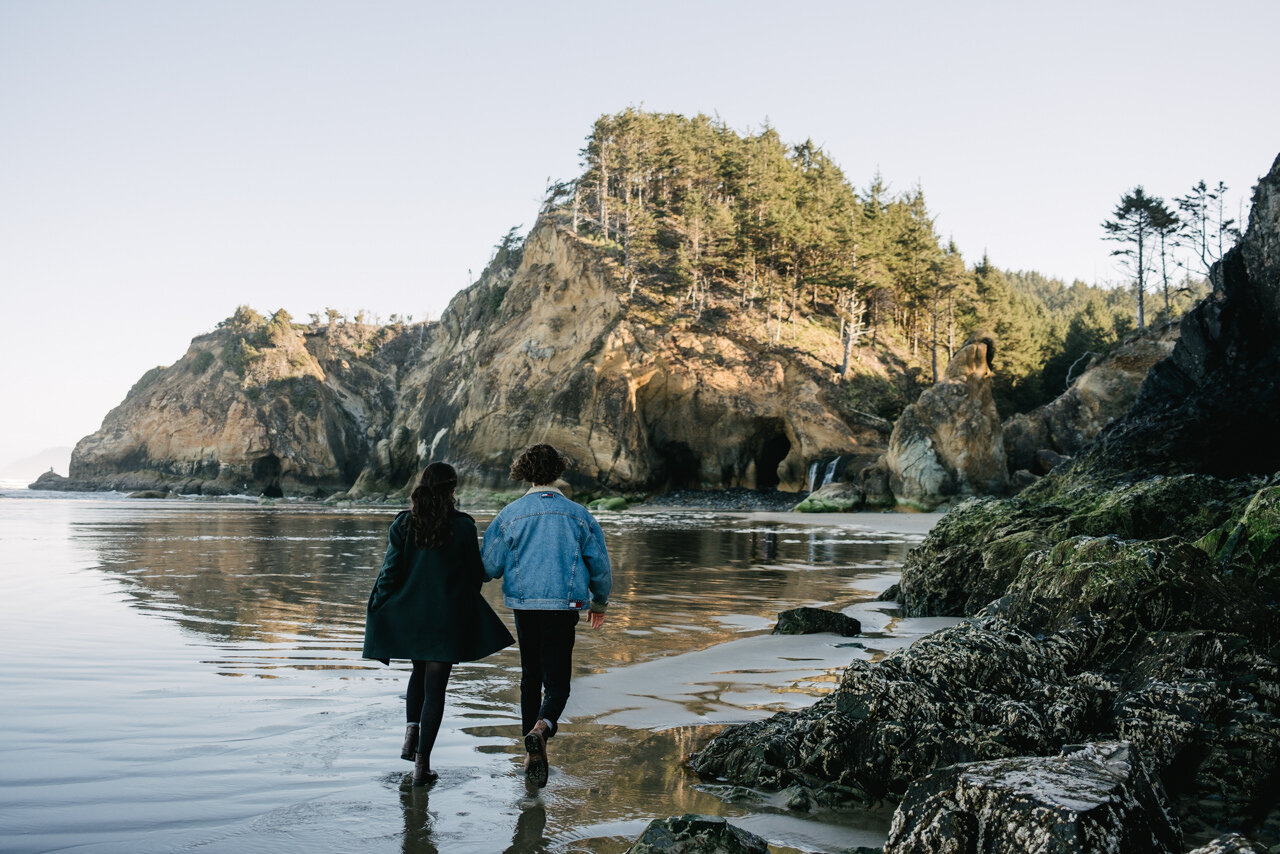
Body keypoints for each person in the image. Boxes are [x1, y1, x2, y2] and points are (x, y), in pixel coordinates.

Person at [363, 462, 514, 786]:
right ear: (452, 489)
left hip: (412, 616)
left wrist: (377, 606)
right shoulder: (462, 526)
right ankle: (422, 766)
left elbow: (390, 572)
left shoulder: (405, 523)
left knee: (417, 674)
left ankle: (409, 734)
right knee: (436, 690)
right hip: (446, 619)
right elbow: (475, 575)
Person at [481, 443, 612, 788]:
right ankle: (543, 729)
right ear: (558, 471)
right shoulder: (579, 514)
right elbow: (600, 564)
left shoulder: (510, 514)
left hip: (525, 605)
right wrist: (599, 603)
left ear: (524, 472)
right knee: (558, 685)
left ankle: (530, 754)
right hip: (564, 605)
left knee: (530, 678)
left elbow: (489, 566)